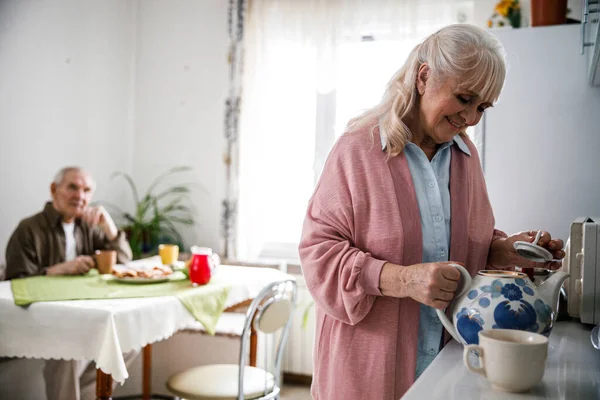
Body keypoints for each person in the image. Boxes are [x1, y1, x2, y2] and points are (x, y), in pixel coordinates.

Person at [298, 24, 565, 400]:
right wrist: (402, 279)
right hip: (366, 374)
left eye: (482, 107)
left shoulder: (466, 159)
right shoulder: (357, 151)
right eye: (464, 98)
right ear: (424, 77)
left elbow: (455, 243)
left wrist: (502, 250)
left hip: (449, 368)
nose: (471, 118)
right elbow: (317, 255)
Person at [4, 166, 136, 400]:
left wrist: (109, 227)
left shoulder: (87, 227)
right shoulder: (28, 229)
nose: (80, 196)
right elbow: (14, 285)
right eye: (73, 187)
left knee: (129, 339)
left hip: (81, 315)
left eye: (86, 190)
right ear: (54, 190)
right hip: (40, 319)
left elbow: (123, 261)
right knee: (67, 351)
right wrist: (54, 271)